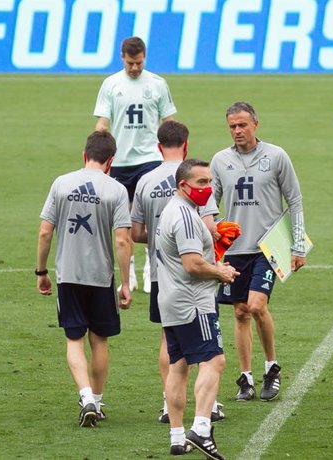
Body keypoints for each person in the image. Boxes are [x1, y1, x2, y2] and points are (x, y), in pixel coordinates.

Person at [211, 101, 307, 402]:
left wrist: (298, 245)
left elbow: (295, 199)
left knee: (255, 306)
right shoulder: (220, 161)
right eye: (232, 126)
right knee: (239, 313)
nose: (237, 131)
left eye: (242, 125)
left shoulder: (276, 156)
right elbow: (210, 206)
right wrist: (214, 238)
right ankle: (247, 379)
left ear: (255, 124)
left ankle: (271, 367)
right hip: (235, 248)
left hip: (268, 246)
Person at [35, 130, 132, 427]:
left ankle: (85, 395)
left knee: (73, 339)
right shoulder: (116, 190)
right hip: (101, 277)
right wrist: (126, 282)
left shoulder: (61, 183)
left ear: (84, 154)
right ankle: (98, 401)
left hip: (68, 275)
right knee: (99, 339)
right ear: (110, 160)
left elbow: (44, 231)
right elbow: (122, 241)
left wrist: (41, 272)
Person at [130, 120, 223, 424]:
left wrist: (162, 239)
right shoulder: (196, 178)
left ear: (158, 146)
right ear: (186, 144)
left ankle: (167, 404)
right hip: (190, 274)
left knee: (168, 341)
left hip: (160, 272)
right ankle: (206, 407)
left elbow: (137, 232)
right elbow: (209, 226)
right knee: (202, 346)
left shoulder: (144, 180)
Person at [155, 159, 238, 457]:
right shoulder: (188, 218)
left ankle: (177, 437)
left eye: (209, 182)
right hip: (193, 302)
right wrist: (221, 272)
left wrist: (213, 263)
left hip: (171, 300)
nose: (207, 188)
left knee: (178, 366)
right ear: (182, 185)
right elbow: (192, 265)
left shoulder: (171, 210)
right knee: (215, 361)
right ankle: (201, 428)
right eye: (201, 183)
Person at [94, 36, 177, 293]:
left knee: (155, 217)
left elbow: (168, 120)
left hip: (150, 160)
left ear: (145, 58)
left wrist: (172, 154)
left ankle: (153, 267)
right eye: (130, 63)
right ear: (122, 58)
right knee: (125, 221)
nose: (135, 68)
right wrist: (98, 149)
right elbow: (102, 123)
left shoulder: (157, 84)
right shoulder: (110, 85)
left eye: (139, 63)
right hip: (120, 162)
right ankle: (127, 270)